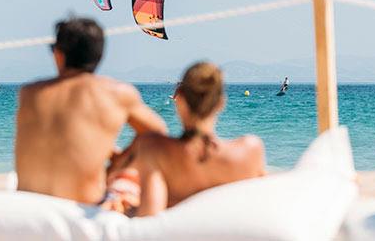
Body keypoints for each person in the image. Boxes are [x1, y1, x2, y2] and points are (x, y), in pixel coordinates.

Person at [15, 18, 167, 205]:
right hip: (83, 209)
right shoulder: (117, 93)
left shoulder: (29, 93)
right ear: (99, 55)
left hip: (29, 209)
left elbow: (61, 132)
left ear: (59, 54)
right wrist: (119, 161)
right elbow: (158, 132)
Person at [124, 61, 266, 216]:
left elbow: (150, 218)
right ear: (220, 103)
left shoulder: (154, 149)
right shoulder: (250, 150)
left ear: (180, 99)